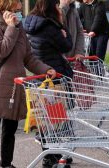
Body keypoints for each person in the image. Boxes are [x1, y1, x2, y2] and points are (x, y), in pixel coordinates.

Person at [0, 0, 57, 167]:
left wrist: (45, 69)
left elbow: (28, 57)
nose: (21, 10)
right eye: (17, 7)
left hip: (16, 85)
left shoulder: (19, 28)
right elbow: (2, 49)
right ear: (7, 8)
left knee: (10, 129)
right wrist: (11, 28)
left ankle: (6, 163)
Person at [23, 0, 73, 167]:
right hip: (55, 76)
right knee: (57, 118)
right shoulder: (51, 26)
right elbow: (66, 46)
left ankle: (50, 154)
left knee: (46, 118)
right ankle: (52, 155)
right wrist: (64, 28)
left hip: (39, 75)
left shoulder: (29, 23)